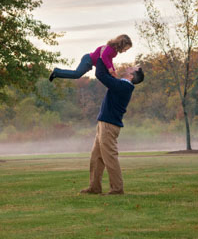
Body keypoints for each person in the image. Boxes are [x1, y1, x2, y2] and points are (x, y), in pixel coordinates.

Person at [80, 58, 144, 195]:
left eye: (132, 68)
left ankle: (117, 189)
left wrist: (100, 58)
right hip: (104, 123)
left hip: (109, 126)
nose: (129, 67)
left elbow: (101, 76)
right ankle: (94, 187)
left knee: (109, 157)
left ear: (132, 76)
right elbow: (109, 77)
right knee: (96, 157)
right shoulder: (122, 84)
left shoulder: (124, 86)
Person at [49, 34, 132, 81]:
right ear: (121, 45)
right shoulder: (110, 48)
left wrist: (113, 71)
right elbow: (104, 57)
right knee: (76, 74)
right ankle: (56, 72)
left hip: (89, 62)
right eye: (125, 49)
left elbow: (109, 60)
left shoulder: (114, 51)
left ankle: (56, 73)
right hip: (88, 60)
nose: (125, 51)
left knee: (77, 75)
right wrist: (110, 69)